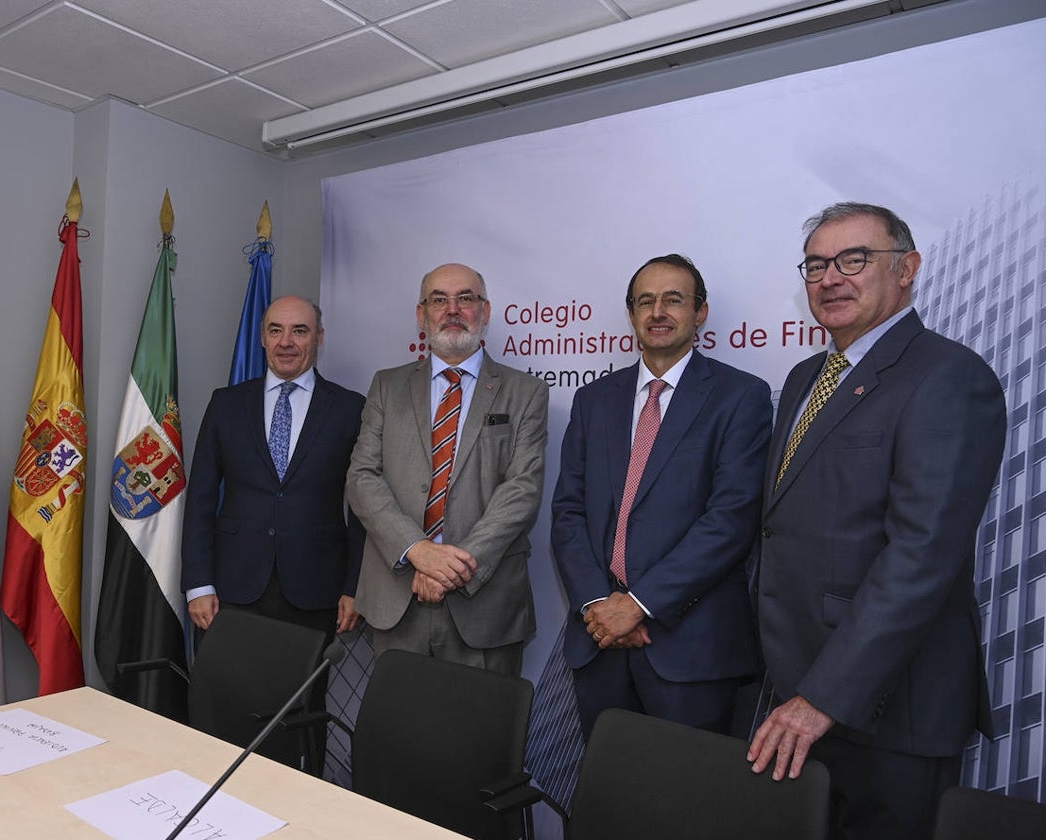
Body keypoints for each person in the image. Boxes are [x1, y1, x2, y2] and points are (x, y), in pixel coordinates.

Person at [747, 203, 1007, 840]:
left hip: (887, 708)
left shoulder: (949, 376)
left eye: (853, 260)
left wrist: (824, 697)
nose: (830, 278)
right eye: (815, 264)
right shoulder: (806, 376)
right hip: (795, 687)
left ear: (908, 269)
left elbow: (921, 559)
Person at [551, 254, 772, 738]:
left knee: (689, 805)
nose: (658, 312)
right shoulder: (594, 401)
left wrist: (639, 605)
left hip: (690, 650)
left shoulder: (741, 397)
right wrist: (596, 604)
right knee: (610, 797)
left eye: (674, 299)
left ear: (701, 312)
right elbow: (567, 512)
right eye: (645, 301)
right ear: (630, 314)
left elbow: (731, 519)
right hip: (600, 642)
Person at [181, 295, 365, 769]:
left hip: (316, 592)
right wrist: (198, 583)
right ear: (262, 337)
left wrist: (354, 588)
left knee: (303, 715)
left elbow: (364, 507)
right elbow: (200, 497)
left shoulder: (349, 409)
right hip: (232, 590)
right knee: (230, 706)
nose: (287, 342)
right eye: (277, 330)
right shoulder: (226, 405)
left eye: (300, 331)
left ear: (318, 338)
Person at [346, 263, 548, 675]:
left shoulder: (526, 392)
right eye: (439, 299)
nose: (452, 309)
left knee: (483, 734)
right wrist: (418, 552)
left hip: (486, 605)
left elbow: (522, 490)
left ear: (486, 312)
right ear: (422, 315)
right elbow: (362, 477)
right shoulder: (387, 385)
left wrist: (450, 568)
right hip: (398, 597)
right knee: (401, 733)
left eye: (466, 298)